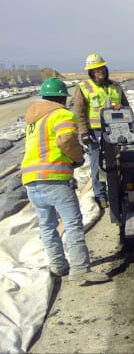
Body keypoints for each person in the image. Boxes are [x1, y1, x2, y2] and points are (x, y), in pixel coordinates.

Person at [21, 77, 110, 284]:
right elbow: (66, 140)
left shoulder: (34, 120)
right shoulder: (61, 114)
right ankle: (80, 270)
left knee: (47, 225)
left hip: (31, 179)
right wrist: (77, 158)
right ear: (62, 98)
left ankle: (58, 266)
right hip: (53, 177)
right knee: (72, 223)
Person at [72, 53, 130, 209]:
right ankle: (100, 195)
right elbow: (79, 112)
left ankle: (120, 189)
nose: (100, 72)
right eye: (96, 70)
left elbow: (126, 108)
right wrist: (84, 133)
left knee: (121, 160)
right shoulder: (83, 88)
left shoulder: (115, 86)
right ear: (91, 72)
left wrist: (129, 127)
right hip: (95, 132)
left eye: (102, 68)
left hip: (117, 130)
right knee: (97, 164)